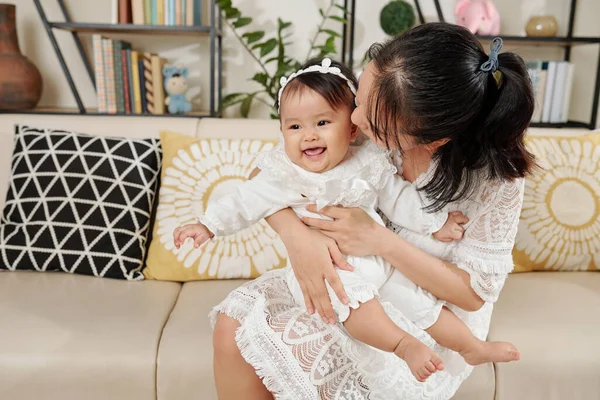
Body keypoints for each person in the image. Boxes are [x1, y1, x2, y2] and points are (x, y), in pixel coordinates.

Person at [210, 22, 534, 400]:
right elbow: (268, 174)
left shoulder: (495, 181)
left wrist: (378, 240)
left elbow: (472, 295)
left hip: (428, 311)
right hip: (352, 272)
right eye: (359, 98)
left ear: (434, 139)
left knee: (305, 351)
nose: (356, 121)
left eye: (372, 122)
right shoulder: (374, 105)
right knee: (231, 325)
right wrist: (297, 238)